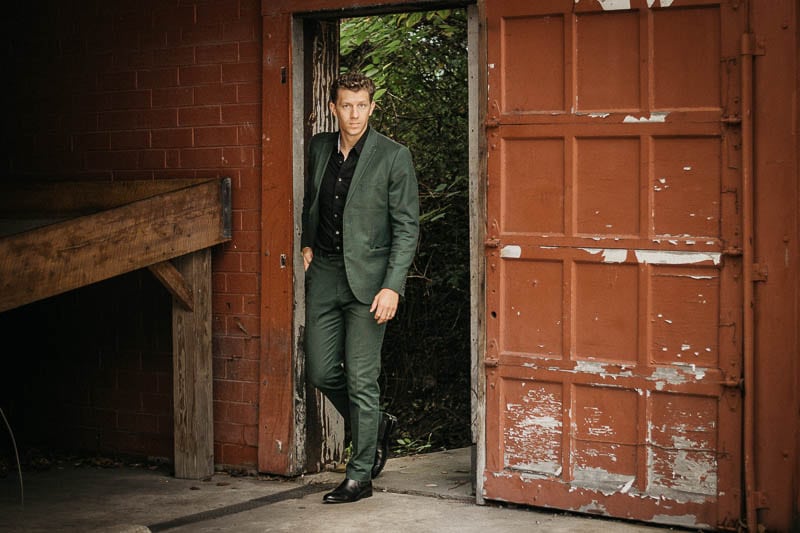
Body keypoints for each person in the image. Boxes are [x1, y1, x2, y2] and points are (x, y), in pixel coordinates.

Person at [301, 72, 420, 504]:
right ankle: (376, 423)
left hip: (371, 284)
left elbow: (407, 228)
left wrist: (393, 287)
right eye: (345, 105)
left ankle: (360, 475)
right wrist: (306, 242)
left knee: (362, 380)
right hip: (326, 274)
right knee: (319, 370)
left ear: (372, 107)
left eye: (361, 105)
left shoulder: (393, 156)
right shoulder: (318, 148)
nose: (353, 114)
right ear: (334, 108)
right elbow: (307, 199)